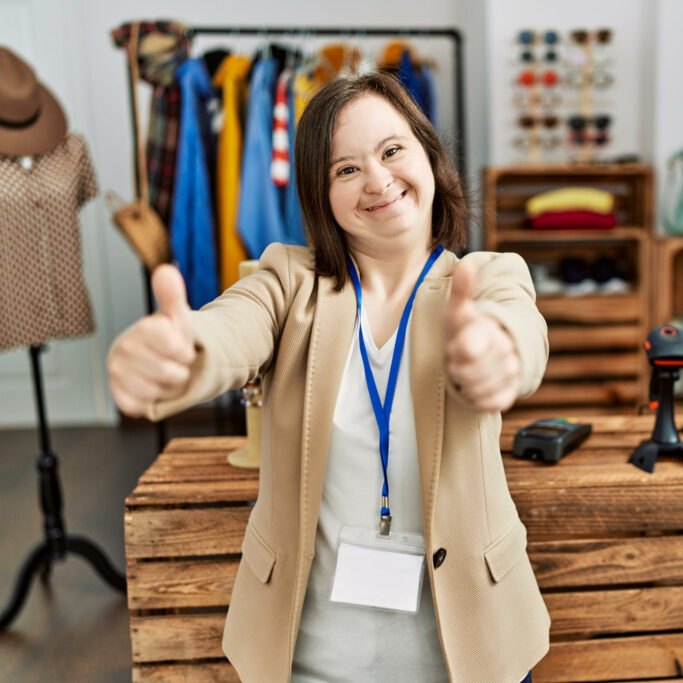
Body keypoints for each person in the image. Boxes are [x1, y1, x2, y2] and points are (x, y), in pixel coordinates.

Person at [107, 72, 550, 683]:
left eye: (392, 150)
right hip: (312, 660)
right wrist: (185, 353)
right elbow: (231, 328)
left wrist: (496, 352)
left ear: (428, 155)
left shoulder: (490, 276)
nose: (377, 180)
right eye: (345, 169)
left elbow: (519, 332)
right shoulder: (289, 282)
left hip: (472, 653)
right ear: (321, 194)